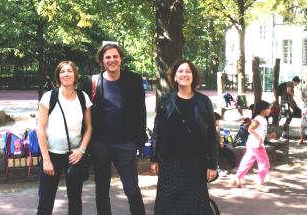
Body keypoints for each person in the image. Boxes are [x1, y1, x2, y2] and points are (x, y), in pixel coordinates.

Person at [83, 44, 146, 215]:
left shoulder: (133, 80)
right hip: (100, 145)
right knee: (102, 190)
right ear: (102, 61)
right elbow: (84, 113)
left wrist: (137, 142)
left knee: (132, 189)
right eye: (108, 57)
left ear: (121, 58)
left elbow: (141, 111)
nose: (112, 60)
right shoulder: (92, 83)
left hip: (126, 144)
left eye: (115, 56)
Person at [150, 60, 218, 215]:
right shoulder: (165, 101)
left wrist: (212, 164)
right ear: (174, 77)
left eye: (188, 71)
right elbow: (157, 131)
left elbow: (211, 136)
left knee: (193, 206)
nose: (184, 74)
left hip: (195, 163)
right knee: (167, 206)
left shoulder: (203, 101)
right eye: (180, 71)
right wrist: (154, 159)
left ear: (193, 76)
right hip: (170, 163)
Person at [36, 61, 92, 215]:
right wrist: (46, 159)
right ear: (58, 76)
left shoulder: (83, 97)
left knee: (75, 201)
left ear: (75, 75)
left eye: (69, 71)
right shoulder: (49, 97)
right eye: (62, 71)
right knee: (46, 201)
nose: (66, 74)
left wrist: (81, 150)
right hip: (51, 155)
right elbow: (40, 129)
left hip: (74, 156)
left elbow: (89, 128)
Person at [233, 100, 274, 193]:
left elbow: (260, 131)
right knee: (265, 164)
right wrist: (259, 138)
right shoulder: (258, 119)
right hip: (256, 145)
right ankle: (259, 184)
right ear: (262, 110)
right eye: (268, 109)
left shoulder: (262, 119)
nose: (270, 110)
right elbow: (250, 129)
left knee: (247, 161)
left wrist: (268, 136)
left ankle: (237, 178)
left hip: (253, 144)